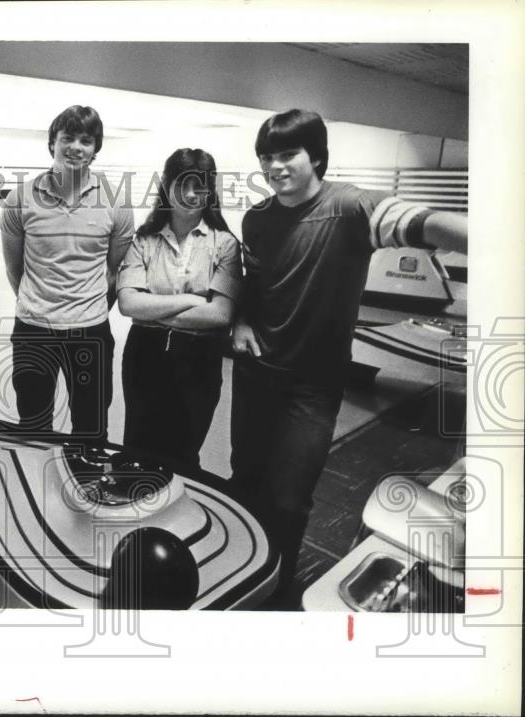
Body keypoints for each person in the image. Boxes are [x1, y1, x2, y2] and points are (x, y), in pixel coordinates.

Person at [229, 109, 469, 609]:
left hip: (311, 390)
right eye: (267, 157)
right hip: (255, 378)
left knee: (289, 500)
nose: (275, 166)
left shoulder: (351, 206)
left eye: (287, 154)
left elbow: (420, 221)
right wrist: (242, 321)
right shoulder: (257, 219)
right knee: (245, 480)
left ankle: (275, 592)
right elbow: (252, 288)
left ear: (315, 156)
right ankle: (242, 574)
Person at [0, 105, 134, 445]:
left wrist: (89, 307)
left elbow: (115, 269)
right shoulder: (21, 198)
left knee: (91, 427)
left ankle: (86, 489)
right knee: (33, 424)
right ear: (52, 144)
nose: (76, 146)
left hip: (90, 329)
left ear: (95, 149)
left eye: (86, 140)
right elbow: (15, 268)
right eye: (68, 138)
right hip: (34, 328)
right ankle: (37, 492)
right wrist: (39, 303)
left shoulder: (115, 200)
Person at [117, 148, 241, 473]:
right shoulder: (144, 240)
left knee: (184, 455)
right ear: (167, 185)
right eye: (182, 183)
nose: (189, 194)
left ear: (210, 192)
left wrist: (153, 310)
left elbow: (221, 315)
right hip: (145, 355)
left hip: (199, 360)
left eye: (199, 186)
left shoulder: (225, 244)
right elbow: (128, 304)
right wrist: (192, 301)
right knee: (137, 450)